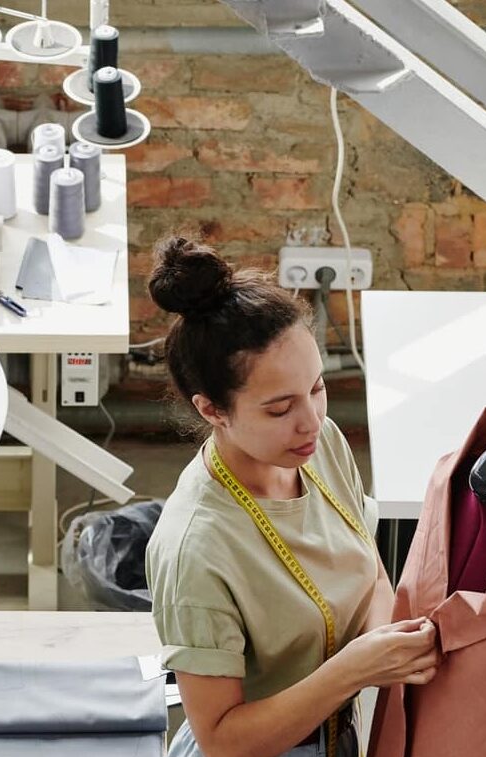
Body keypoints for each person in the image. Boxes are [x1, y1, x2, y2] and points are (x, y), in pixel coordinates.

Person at [144, 236, 441, 757]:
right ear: (212, 410)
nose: (311, 421)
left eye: (318, 388)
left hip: (339, 737)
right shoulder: (195, 548)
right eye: (280, 409)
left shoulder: (318, 447)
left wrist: (386, 648)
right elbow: (222, 740)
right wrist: (354, 670)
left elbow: (369, 571)